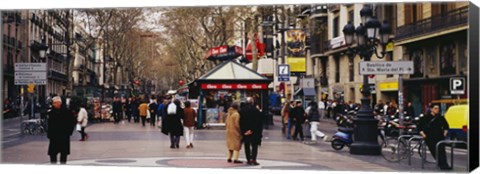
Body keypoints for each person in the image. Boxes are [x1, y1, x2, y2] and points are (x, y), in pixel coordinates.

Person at [418, 104, 451, 170]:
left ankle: (445, 165)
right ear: (431, 109)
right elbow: (419, 127)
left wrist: (445, 132)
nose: (437, 110)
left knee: (442, 151)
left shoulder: (440, 118)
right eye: (435, 108)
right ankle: (442, 165)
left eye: (438, 108)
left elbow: (446, 126)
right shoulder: (425, 118)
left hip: (440, 137)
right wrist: (423, 134)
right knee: (434, 151)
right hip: (430, 137)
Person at [47, 96, 76, 164]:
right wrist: (49, 134)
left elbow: (72, 123)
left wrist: (69, 132)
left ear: (59, 103)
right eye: (53, 103)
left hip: (64, 136)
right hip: (54, 137)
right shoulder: (51, 113)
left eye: (55, 103)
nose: (54, 104)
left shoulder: (67, 112)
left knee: (63, 154)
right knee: (53, 154)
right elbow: (49, 124)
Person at [239, 97, 263, 165]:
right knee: (254, 145)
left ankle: (248, 159)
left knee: (247, 145)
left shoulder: (242, 110)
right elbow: (258, 122)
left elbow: (241, 122)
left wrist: (244, 131)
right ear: (252, 103)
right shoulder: (256, 110)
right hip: (254, 131)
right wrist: (252, 130)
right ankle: (254, 159)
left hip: (245, 131)